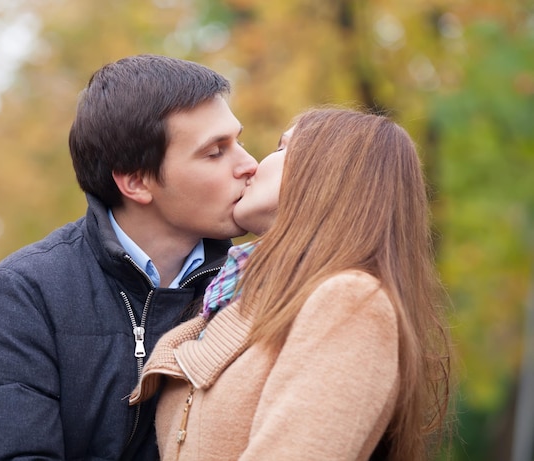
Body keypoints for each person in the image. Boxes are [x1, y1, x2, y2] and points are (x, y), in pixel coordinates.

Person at [0, 54, 258, 460]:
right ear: (135, 181)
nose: (249, 164)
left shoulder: (257, 287)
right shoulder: (22, 297)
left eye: (238, 140)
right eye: (215, 152)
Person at [129, 107, 452, 461]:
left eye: (283, 148)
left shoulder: (351, 302)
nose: (252, 165)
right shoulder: (232, 299)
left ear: (327, 175)